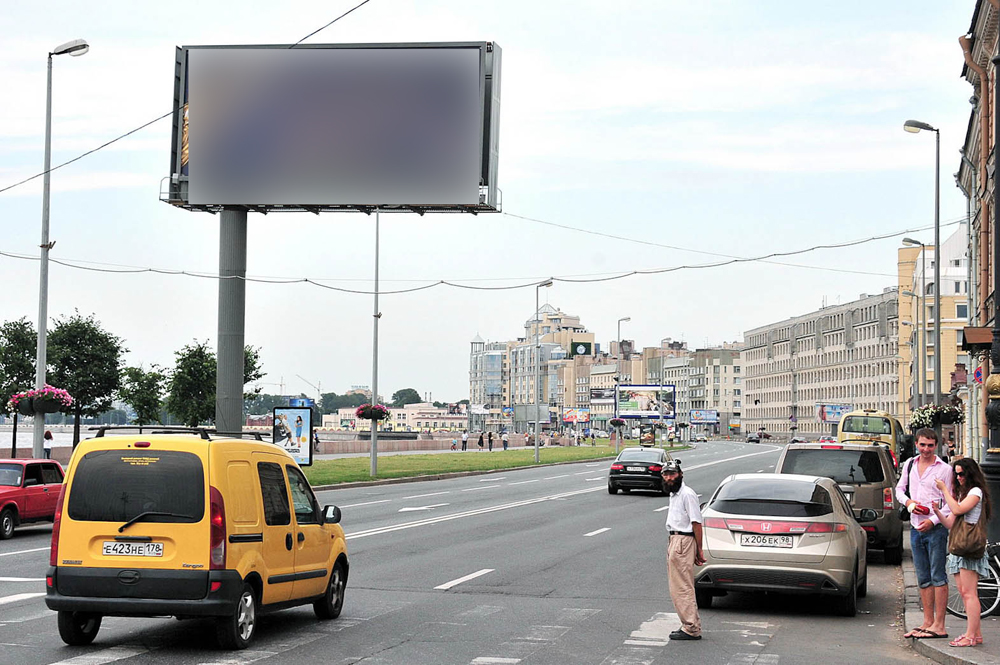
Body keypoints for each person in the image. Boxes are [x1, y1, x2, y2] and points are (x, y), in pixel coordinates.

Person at [897, 428, 953, 640]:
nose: (926, 449)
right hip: (915, 526)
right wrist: (910, 503)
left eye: (930, 445)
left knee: (938, 575)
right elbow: (900, 490)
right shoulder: (910, 465)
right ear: (917, 444)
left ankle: (940, 624)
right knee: (923, 576)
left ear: (936, 445)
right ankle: (927, 621)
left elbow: (950, 503)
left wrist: (933, 520)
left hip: (936, 528)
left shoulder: (945, 469)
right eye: (922, 445)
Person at [933, 458, 991, 648]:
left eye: (961, 474)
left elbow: (957, 509)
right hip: (959, 546)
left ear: (970, 474)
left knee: (969, 593)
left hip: (968, 547)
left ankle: (970, 636)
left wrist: (944, 490)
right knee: (965, 592)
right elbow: (950, 522)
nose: (958, 478)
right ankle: (976, 633)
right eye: (956, 474)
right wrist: (938, 512)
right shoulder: (962, 494)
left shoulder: (975, 492)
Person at [661, 459, 703, 640]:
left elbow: (697, 523)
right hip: (675, 539)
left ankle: (691, 627)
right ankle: (689, 624)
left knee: (683, 586)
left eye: (672, 474)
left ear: (680, 474)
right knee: (677, 586)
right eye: (666, 474)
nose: (669, 478)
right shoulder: (674, 494)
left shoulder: (687, 494)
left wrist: (699, 549)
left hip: (683, 540)